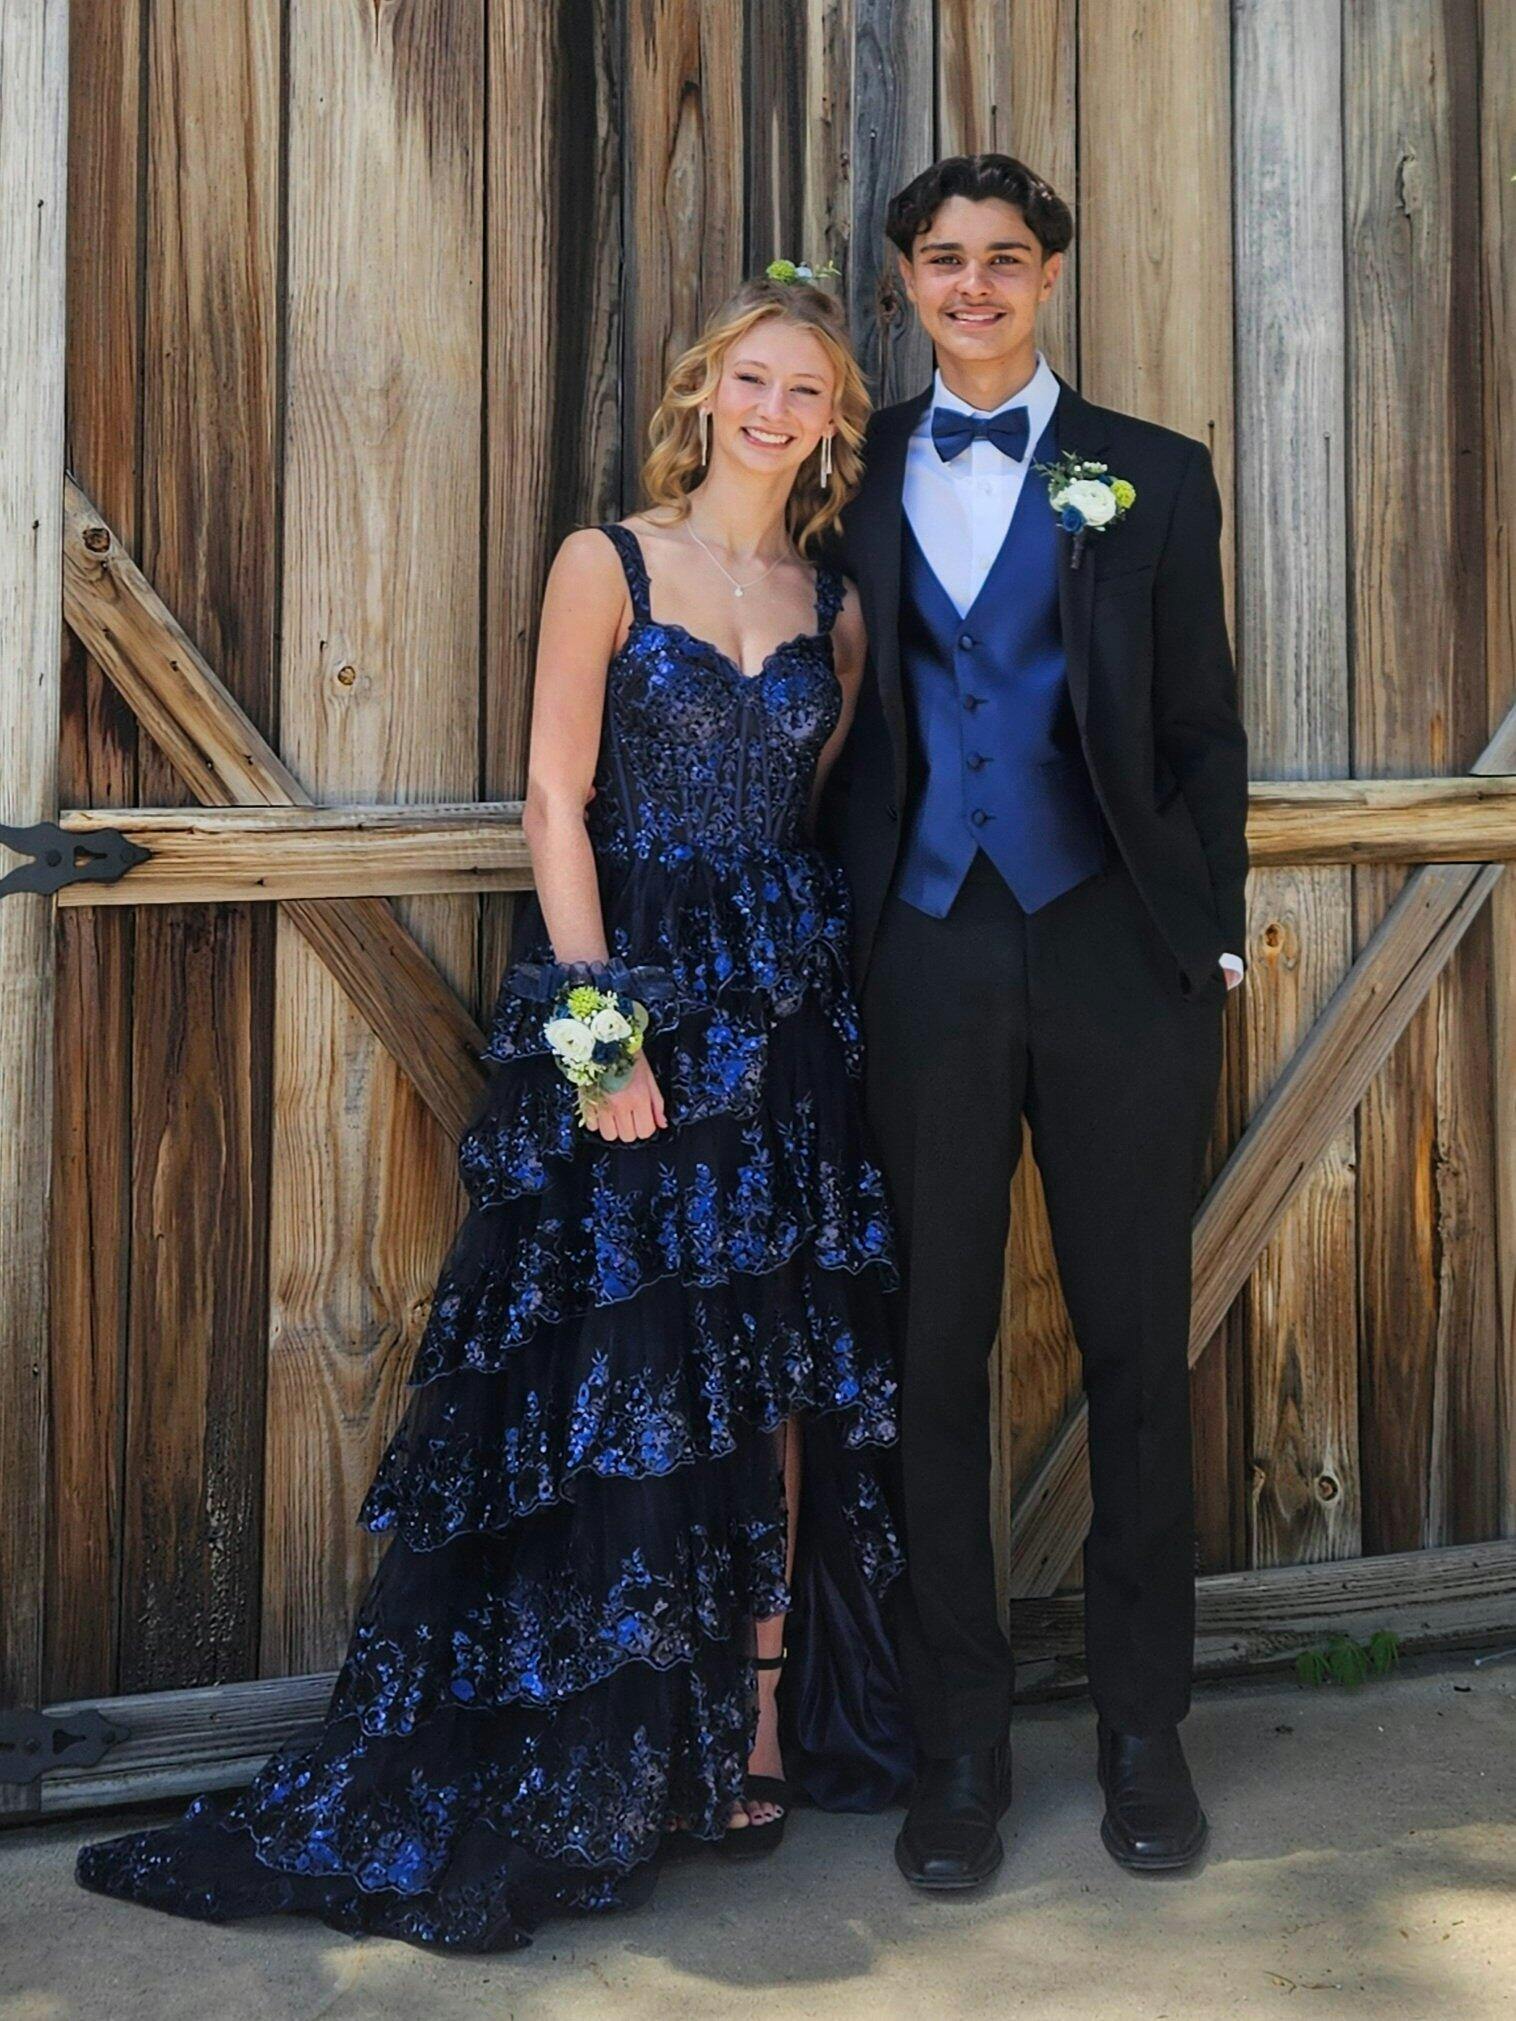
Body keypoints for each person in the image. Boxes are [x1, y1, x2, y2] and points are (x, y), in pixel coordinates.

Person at [75, 271, 912, 1952]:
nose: (773, 411)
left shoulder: (835, 607)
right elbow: (551, 796)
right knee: (620, 1364)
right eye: (751, 380)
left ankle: (751, 1719)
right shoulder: (609, 562)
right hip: (631, 996)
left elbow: (808, 813)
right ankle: (597, 1733)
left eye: (806, 392)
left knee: (772, 1367)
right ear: (704, 391)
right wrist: (599, 1040)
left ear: (837, 425)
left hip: (785, 1020)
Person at [825, 154, 1249, 1890]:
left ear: (1052, 275)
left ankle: (1146, 1731)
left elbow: (1204, 728)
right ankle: (960, 1749)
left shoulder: (1153, 473)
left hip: (1109, 953)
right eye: (945, 260)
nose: (975, 286)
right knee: (932, 1354)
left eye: (1006, 258)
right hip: (921, 953)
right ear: (907, 283)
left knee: (1137, 1343)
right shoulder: (849, 471)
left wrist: (1205, 935)